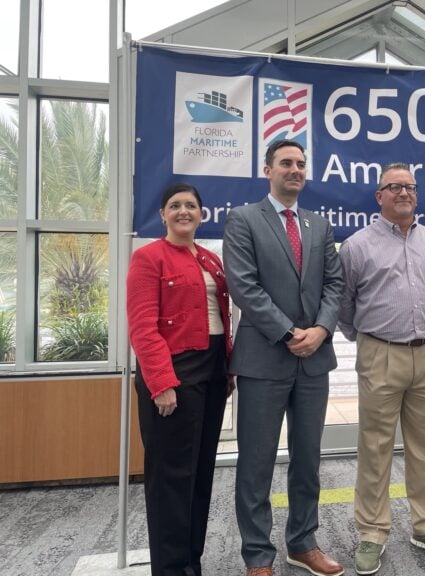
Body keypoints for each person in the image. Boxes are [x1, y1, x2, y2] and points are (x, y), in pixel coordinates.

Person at [223, 139, 344, 576]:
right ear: (268, 170)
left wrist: (321, 330)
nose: (295, 170)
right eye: (286, 163)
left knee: (308, 459)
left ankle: (302, 543)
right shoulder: (243, 219)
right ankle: (257, 555)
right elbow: (244, 286)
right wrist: (290, 332)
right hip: (263, 360)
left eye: (300, 164)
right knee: (256, 462)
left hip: (314, 360)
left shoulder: (319, 225)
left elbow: (335, 284)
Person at [338, 163, 425, 575]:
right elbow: (344, 304)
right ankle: (372, 532)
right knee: (374, 446)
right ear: (379, 196)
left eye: (410, 187)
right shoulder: (357, 245)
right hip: (380, 353)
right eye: (394, 187)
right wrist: (370, 341)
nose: (404, 193)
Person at [127, 182, 234, 576]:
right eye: (175, 205)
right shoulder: (148, 258)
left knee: (201, 471)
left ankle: (192, 562)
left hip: (213, 371)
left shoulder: (211, 260)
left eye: (191, 205)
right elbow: (141, 326)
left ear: (202, 213)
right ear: (163, 214)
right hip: (173, 372)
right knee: (171, 478)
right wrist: (161, 382)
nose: (183, 211)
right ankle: (171, 569)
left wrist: (229, 367)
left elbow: (223, 318)